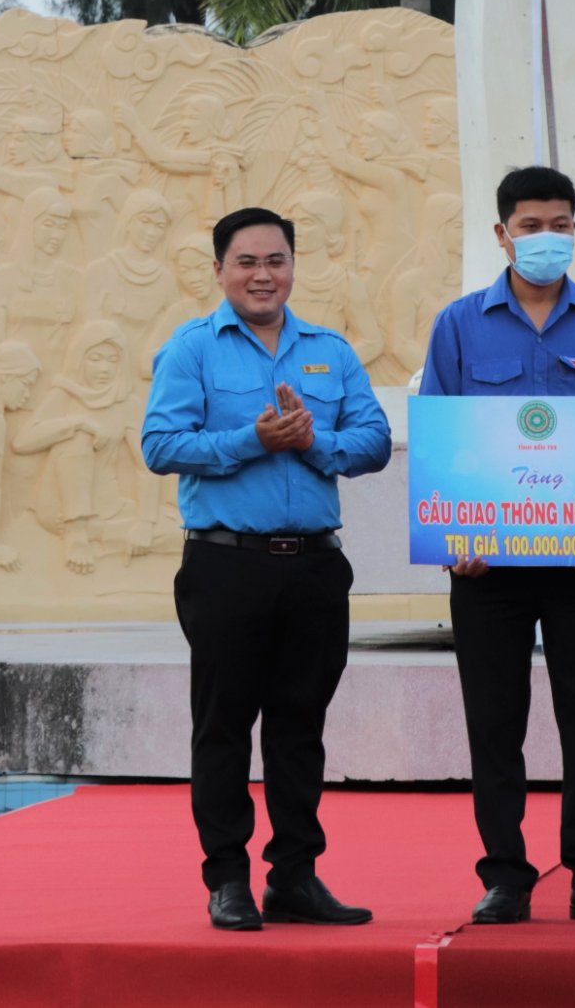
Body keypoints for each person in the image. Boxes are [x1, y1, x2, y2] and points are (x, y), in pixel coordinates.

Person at [419, 165, 575, 927]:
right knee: (495, 726)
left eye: (560, 225)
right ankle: (506, 876)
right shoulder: (459, 324)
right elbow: (439, 437)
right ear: (502, 234)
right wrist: (454, 537)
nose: (546, 238)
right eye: (530, 226)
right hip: (487, 566)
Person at [141, 207, 392, 932]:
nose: (262, 275)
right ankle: (227, 878)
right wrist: (251, 439)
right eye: (247, 262)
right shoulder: (192, 348)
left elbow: (374, 439)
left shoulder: (329, 350)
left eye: (275, 260)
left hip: (314, 566)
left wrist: (313, 443)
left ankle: (294, 876)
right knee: (223, 725)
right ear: (220, 270)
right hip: (227, 564)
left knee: (299, 726)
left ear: (292, 266)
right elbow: (160, 444)